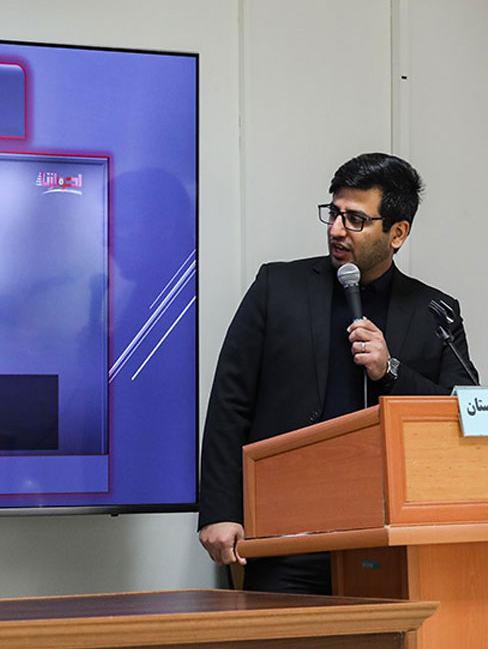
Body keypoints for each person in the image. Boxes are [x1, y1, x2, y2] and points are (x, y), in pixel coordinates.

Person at [198, 153, 478, 594]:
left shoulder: (434, 311)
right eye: (333, 213)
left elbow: (467, 416)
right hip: (286, 532)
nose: (336, 229)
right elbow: (230, 401)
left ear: (398, 233)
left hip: (392, 539)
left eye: (356, 219)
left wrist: (391, 371)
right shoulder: (277, 288)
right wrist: (220, 510)